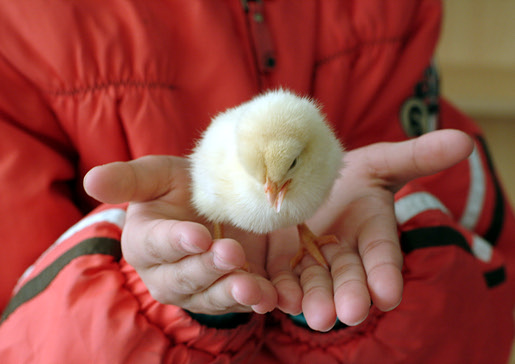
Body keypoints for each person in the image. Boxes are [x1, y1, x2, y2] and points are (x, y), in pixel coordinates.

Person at [0, 1, 514, 363]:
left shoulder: (387, 12)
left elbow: (489, 296)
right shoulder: (19, 28)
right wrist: (145, 297)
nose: (272, 192)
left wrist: (402, 259)